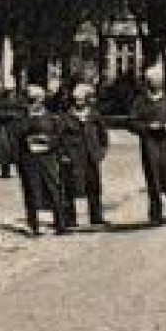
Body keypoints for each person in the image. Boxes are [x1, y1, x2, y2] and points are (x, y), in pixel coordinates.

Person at [130, 68, 166, 225]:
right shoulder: (140, 102)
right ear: (148, 82)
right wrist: (148, 127)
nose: (156, 82)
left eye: (159, 79)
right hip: (151, 145)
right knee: (153, 178)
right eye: (152, 80)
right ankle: (156, 214)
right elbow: (132, 122)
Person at [17, 85, 72, 236]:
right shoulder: (23, 116)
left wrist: (49, 142)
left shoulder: (52, 117)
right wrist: (29, 119)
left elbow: (60, 136)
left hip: (48, 157)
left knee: (54, 189)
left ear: (42, 100)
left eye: (35, 99)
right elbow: (17, 133)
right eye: (30, 99)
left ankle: (60, 224)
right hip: (29, 159)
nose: (33, 102)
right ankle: (33, 225)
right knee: (31, 190)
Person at [60, 82, 109, 227]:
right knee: (70, 187)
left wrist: (101, 152)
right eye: (76, 100)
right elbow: (60, 138)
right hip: (74, 157)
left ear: (87, 99)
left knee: (94, 187)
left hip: (91, 156)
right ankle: (69, 219)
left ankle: (96, 217)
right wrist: (64, 154)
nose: (78, 102)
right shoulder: (66, 116)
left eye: (81, 99)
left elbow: (103, 135)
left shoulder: (94, 115)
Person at [0, 90, 26, 179]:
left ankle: (20, 171)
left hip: (15, 128)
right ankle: (5, 171)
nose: (11, 94)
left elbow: (23, 112)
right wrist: (10, 115)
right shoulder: (0, 102)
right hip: (3, 128)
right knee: (3, 149)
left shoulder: (20, 101)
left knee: (16, 149)